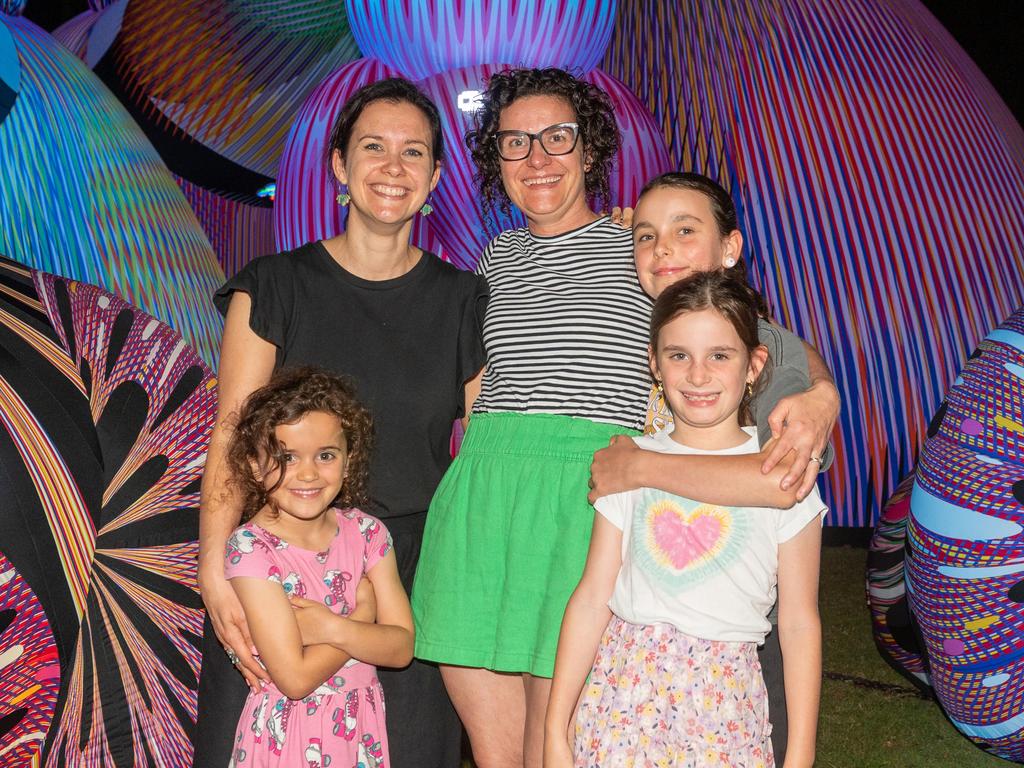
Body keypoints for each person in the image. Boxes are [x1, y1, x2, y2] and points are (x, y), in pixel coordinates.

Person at [412, 70, 836, 768]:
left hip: (582, 499)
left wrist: (822, 392)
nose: (537, 157)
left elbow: (752, 336)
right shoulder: (496, 259)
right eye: (515, 143)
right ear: (496, 162)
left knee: (561, 744)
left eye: (557, 137)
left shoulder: (644, 251)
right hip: (481, 506)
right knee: (495, 755)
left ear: (590, 151)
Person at [195, 77, 484, 768]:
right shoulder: (273, 286)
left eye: (414, 153)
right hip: (276, 573)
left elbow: (482, 454)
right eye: (374, 147)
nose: (393, 167)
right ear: (339, 165)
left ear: (436, 176)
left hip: (406, 584)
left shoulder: (466, 301)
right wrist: (213, 570)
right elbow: (232, 435)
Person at [597, 171, 841, 761]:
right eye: (646, 237)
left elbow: (781, 481)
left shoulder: (759, 353)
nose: (663, 251)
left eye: (686, 232)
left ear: (729, 249)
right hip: (643, 649)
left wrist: (642, 468)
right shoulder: (653, 327)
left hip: (738, 642)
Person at [545, 271, 825, 768]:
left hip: (726, 707)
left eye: (720, 355)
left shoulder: (786, 472)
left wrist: (799, 753)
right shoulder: (626, 463)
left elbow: (800, 622)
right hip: (620, 701)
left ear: (754, 365)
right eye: (679, 356)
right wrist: (555, 729)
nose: (698, 376)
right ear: (654, 363)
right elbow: (592, 598)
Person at [221, 367, 412, 767]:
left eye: (325, 455)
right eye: (286, 457)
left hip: (358, 737)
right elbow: (294, 679)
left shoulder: (367, 533)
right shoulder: (251, 547)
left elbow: (401, 648)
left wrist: (331, 627)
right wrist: (363, 617)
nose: (308, 473)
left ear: (348, 460)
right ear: (255, 466)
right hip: (286, 741)